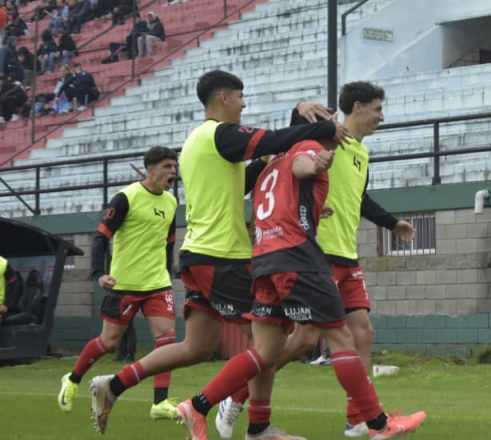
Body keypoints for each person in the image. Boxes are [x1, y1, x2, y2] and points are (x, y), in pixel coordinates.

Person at [87, 69, 344, 435]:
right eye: (241, 97)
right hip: (222, 256)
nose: (244, 104)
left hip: (198, 254)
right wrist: (323, 129)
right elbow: (274, 140)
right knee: (266, 343)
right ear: (224, 98)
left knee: (197, 345)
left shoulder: (199, 143)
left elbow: (260, 169)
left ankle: (113, 385)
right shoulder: (220, 135)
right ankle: (250, 423)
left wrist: (296, 117)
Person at [176, 112, 427, 440]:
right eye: (331, 124)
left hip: (265, 260)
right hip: (298, 258)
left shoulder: (269, 165)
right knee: (340, 338)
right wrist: (317, 163)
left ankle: (201, 406)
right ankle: (378, 425)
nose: (338, 129)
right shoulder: (305, 147)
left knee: (265, 351)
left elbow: (281, 196)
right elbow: (303, 165)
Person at [57, 146, 180, 420]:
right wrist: (99, 273)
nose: (173, 172)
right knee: (109, 341)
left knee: (167, 340)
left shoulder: (171, 203)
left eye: (175, 167)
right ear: (151, 169)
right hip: (124, 284)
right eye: (167, 167)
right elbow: (101, 236)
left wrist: (169, 272)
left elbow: (169, 242)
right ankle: (73, 378)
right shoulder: (126, 197)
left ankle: (159, 403)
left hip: (157, 284)